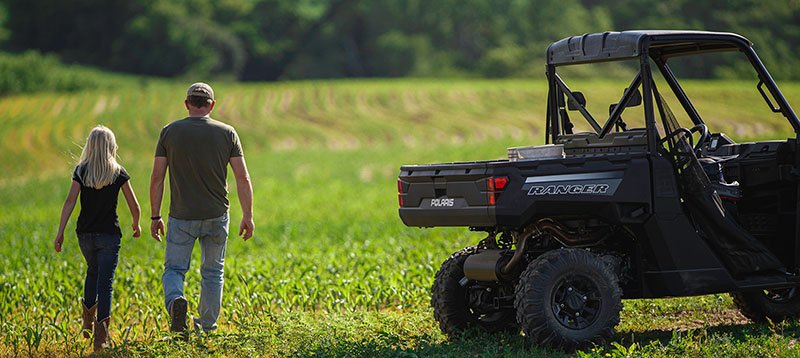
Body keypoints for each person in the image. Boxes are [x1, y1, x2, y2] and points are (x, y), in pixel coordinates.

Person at [149, 82, 254, 335]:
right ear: (212, 105)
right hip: (217, 214)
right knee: (213, 271)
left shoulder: (169, 132)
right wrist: (248, 216)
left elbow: (157, 177)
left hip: (181, 216)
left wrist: (155, 215)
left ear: (187, 104)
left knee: (174, 269)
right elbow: (243, 178)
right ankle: (206, 327)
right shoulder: (227, 132)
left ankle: (176, 301)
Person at [54, 125, 141, 352]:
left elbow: (70, 202)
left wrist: (60, 231)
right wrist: (136, 223)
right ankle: (101, 338)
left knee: (92, 272)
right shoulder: (118, 172)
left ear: (90, 147)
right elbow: (134, 204)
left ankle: (87, 321)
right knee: (106, 283)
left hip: (85, 234)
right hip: (109, 235)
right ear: (111, 147)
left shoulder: (81, 171)